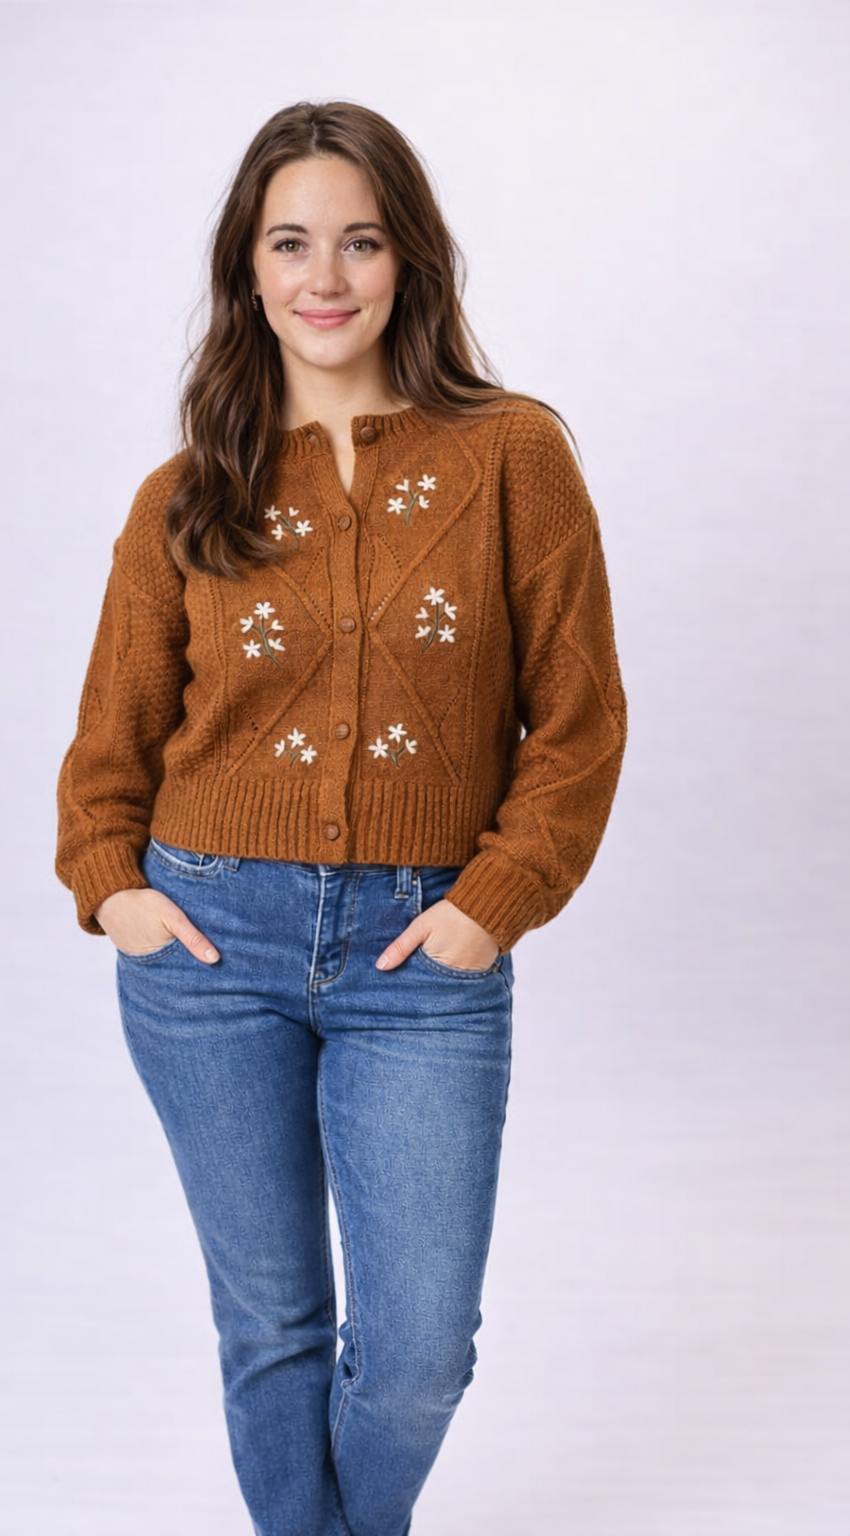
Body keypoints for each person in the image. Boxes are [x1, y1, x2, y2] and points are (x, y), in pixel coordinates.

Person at [55, 100, 626, 1536]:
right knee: (273, 1330)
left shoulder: (513, 457)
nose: (327, 276)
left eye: (361, 242)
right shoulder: (188, 494)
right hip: (206, 948)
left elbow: (578, 721)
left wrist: (492, 902)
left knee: (419, 1353)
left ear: (409, 260)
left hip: (422, 952)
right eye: (291, 243)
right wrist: (116, 889)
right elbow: (109, 748)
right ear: (247, 270)